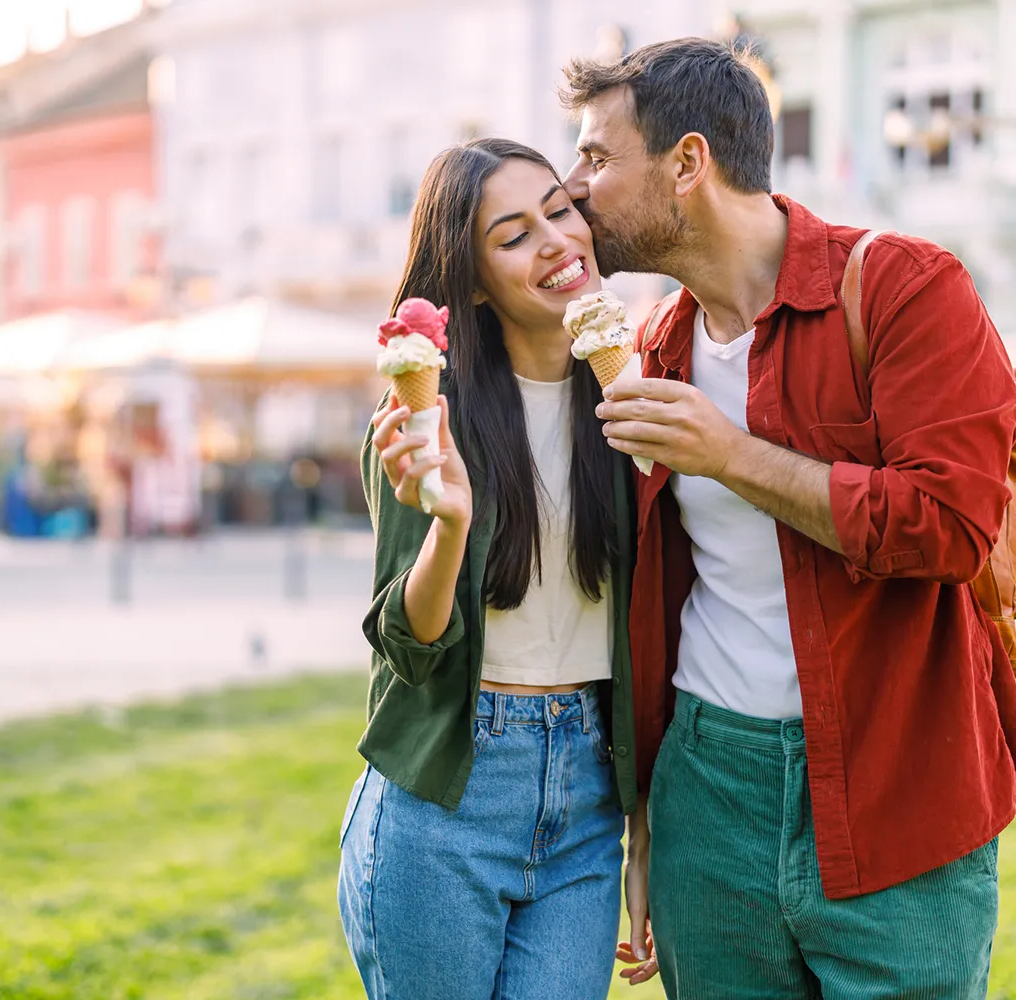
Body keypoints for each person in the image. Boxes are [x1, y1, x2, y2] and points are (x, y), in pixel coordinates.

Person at [561, 37, 1016, 1000]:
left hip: (902, 791)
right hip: (707, 797)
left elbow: (952, 523)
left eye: (599, 158)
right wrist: (645, 816)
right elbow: (655, 600)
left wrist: (730, 455)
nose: (575, 185)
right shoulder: (654, 348)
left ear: (687, 163)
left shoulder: (904, 286)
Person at [337, 137, 638, 1000]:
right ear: (470, 280)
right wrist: (452, 524)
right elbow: (413, 643)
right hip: (448, 798)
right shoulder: (425, 420)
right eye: (513, 235)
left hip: (587, 801)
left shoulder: (628, 399)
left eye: (560, 209)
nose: (555, 240)